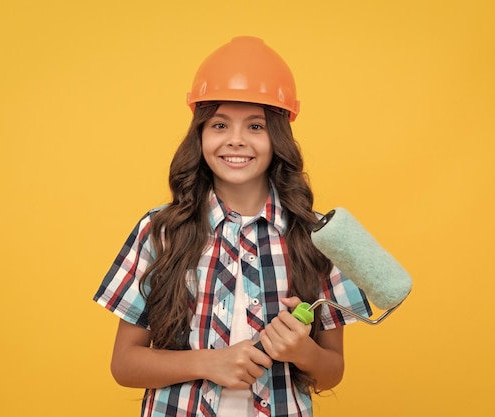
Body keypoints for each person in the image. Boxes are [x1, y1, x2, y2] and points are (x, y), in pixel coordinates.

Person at [93, 36, 372, 417]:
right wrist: (210, 362)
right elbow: (124, 364)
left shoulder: (318, 237)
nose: (236, 141)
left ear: (278, 138)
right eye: (220, 124)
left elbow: (332, 371)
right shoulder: (160, 231)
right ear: (201, 135)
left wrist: (301, 351)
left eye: (255, 126)